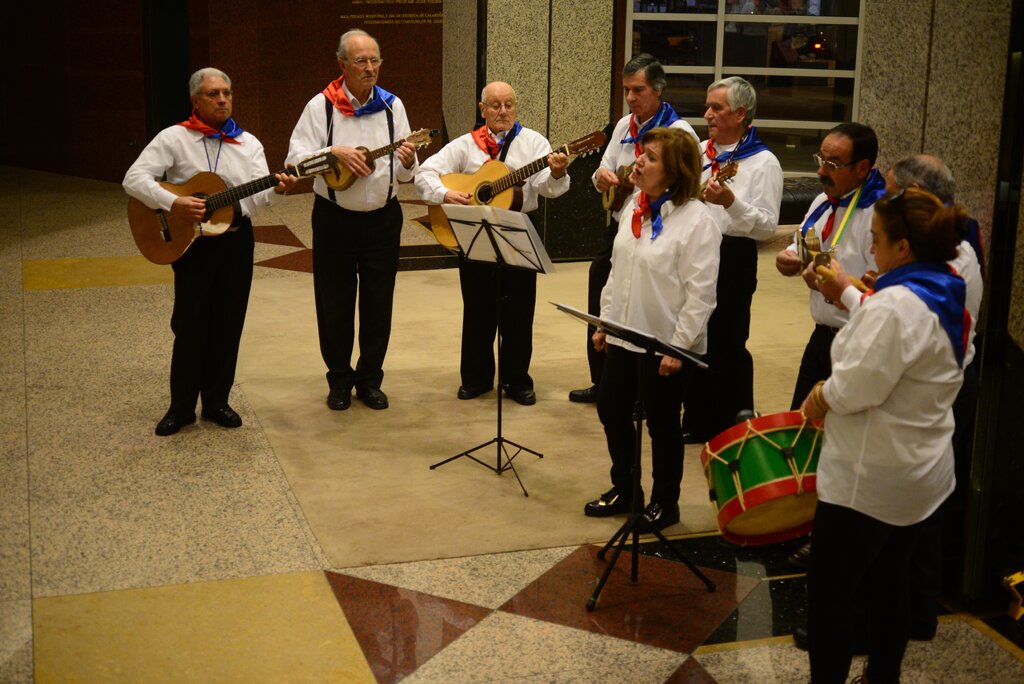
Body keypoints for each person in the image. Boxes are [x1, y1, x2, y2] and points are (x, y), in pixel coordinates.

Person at [800, 188, 969, 683]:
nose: (869, 250)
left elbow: (856, 387)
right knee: (889, 581)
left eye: (875, 240)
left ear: (902, 248)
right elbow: (900, 336)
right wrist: (847, 293)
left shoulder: (893, 306)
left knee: (831, 597)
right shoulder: (947, 285)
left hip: (868, 479)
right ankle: (884, 676)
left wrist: (819, 397)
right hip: (919, 470)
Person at [124, 67, 297, 436]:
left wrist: (278, 189)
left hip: (236, 241)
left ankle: (217, 401)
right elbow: (133, 179)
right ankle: (181, 407)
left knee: (228, 322)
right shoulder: (174, 137)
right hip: (192, 244)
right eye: (213, 94)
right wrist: (174, 202)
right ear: (195, 101)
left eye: (227, 93)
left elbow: (259, 198)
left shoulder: (248, 143)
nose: (222, 100)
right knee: (189, 324)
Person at [583, 127, 721, 531]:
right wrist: (605, 322)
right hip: (626, 332)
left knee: (662, 423)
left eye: (652, 158)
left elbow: (702, 294)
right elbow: (617, 271)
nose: (638, 162)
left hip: (664, 343)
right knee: (610, 407)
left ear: (675, 171)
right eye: (641, 154)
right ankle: (626, 488)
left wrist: (679, 348)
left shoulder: (698, 221)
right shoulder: (633, 207)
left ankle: (666, 500)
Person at [286, 29, 418, 412]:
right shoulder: (321, 107)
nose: (370, 68)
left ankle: (370, 380)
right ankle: (340, 380)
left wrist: (409, 162)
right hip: (334, 220)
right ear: (341, 63)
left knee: (379, 303)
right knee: (335, 301)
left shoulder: (394, 107)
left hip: (383, 219)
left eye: (375, 60)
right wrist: (333, 152)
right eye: (361, 61)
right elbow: (294, 163)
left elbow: (405, 173)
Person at [414, 81, 569, 405]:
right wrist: (446, 194)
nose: (503, 111)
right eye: (495, 105)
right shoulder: (464, 145)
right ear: (482, 109)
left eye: (509, 104)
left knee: (519, 312)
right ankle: (476, 378)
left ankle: (516, 381)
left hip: (517, 233)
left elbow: (548, 188)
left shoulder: (533, 142)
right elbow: (425, 172)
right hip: (473, 234)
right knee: (478, 311)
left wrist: (556, 173)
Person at [568, 54, 698, 404]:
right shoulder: (625, 125)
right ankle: (604, 382)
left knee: (644, 307)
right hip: (622, 225)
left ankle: (643, 393)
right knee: (603, 295)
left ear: (657, 90)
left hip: (658, 232)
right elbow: (601, 171)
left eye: (637, 90)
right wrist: (603, 178)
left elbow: (685, 187)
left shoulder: (680, 133)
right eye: (626, 90)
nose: (630, 98)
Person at [680, 76, 783, 443]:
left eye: (716, 108)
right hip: (694, 251)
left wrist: (731, 203)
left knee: (727, 339)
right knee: (693, 334)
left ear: (740, 114)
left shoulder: (762, 162)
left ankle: (731, 424)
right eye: (707, 106)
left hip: (733, 256)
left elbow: (768, 226)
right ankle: (696, 418)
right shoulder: (700, 151)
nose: (707, 114)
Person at [776, 122, 886, 413]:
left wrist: (834, 286)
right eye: (821, 160)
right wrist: (788, 258)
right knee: (799, 426)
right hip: (822, 337)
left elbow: (880, 288)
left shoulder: (879, 216)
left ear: (862, 168)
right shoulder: (823, 201)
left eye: (833, 164)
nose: (821, 171)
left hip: (858, 345)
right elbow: (805, 244)